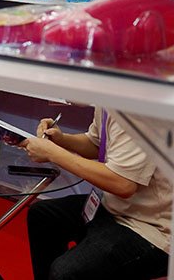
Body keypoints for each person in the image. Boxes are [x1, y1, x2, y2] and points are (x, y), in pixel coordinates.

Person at [22, 107, 171, 280]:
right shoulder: (107, 103)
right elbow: (97, 144)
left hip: (153, 228)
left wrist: (52, 153)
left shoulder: (138, 111)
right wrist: (61, 139)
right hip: (116, 208)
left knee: (65, 272)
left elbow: (123, 184)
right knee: (42, 215)